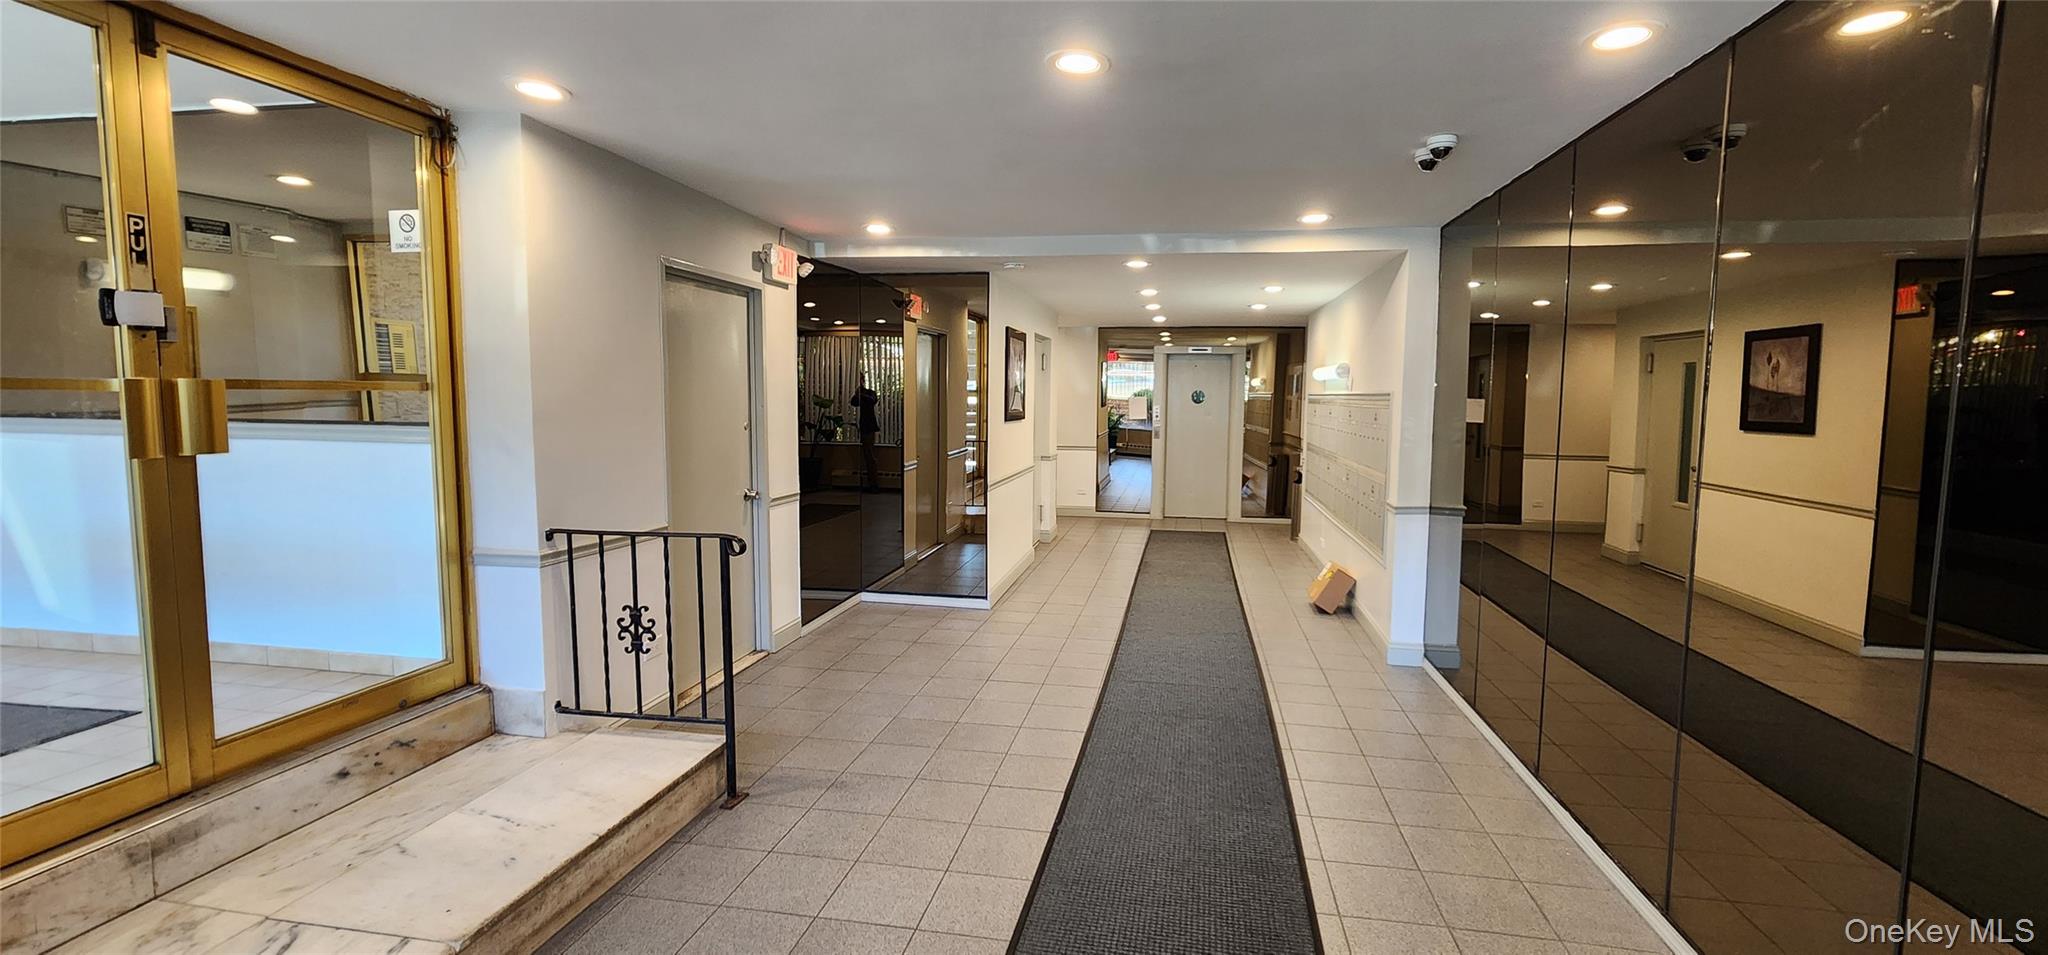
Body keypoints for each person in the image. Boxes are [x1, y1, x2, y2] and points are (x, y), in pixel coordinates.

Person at [852, 376, 880, 491]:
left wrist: (861, 393)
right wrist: (857, 393)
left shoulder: (870, 393)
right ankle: (871, 482)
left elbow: (873, 400)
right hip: (864, 427)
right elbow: (853, 403)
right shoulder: (858, 395)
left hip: (869, 426)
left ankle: (874, 483)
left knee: (870, 455)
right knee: (867, 454)